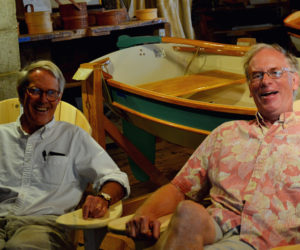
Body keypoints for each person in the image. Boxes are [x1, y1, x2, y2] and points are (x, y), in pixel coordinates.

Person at [126, 43, 300, 250]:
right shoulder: (226, 133)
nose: (265, 81)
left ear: (295, 80)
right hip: (215, 225)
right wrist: (146, 213)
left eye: (275, 72)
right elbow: (179, 188)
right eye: (257, 75)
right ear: (250, 88)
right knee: (188, 212)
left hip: (269, 239)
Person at [0, 60, 130, 249]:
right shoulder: (2, 135)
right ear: (21, 93)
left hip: (42, 226)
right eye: (35, 91)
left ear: (59, 97)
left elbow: (114, 176)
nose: (44, 100)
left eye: (51, 93)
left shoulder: (73, 137)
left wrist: (103, 198)